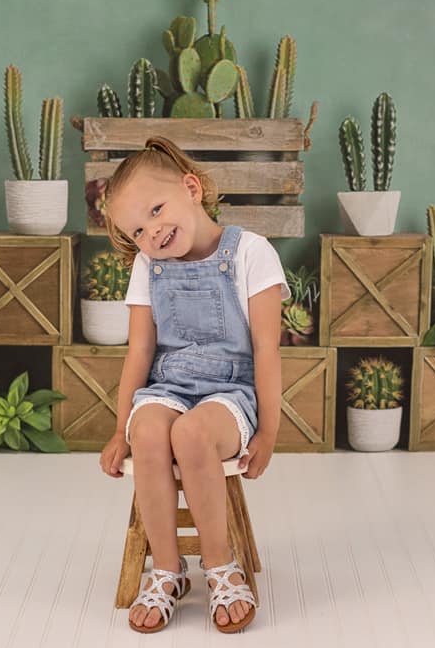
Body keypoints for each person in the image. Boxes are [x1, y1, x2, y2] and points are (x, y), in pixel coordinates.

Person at [98, 136, 291, 634]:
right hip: (171, 384)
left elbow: (267, 352)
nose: (152, 233)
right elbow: (140, 353)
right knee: (150, 432)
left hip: (231, 392)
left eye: (157, 211)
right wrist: (122, 429)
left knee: (191, 435)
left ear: (191, 188)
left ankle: (221, 567)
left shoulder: (252, 253)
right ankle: (166, 570)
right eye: (138, 229)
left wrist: (269, 432)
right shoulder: (148, 266)